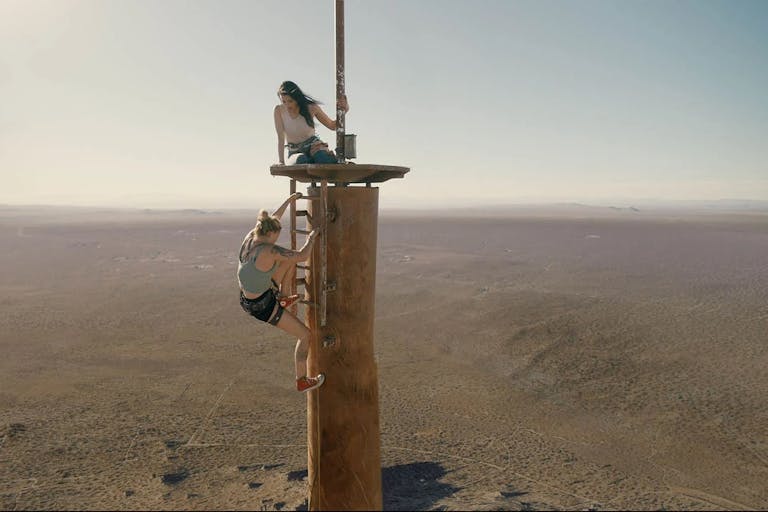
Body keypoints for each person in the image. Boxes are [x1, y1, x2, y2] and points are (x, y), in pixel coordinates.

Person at [237, 192, 324, 392]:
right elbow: (302, 255)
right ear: (269, 235)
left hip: (250, 296)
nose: (277, 238)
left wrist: (288, 201)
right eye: (276, 235)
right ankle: (302, 380)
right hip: (262, 307)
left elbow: (273, 219)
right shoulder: (268, 251)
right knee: (305, 336)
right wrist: (311, 238)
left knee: (287, 261)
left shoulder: (251, 237)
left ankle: (283, 299)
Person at [273, 80, 349, 165]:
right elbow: (281, 137)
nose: (287, 105)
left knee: (322, 158)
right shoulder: (279, 111)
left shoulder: (311, 108)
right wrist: (281, 162)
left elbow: (332, 126)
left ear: (297, 98)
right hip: (295, 151)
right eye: (284, 101)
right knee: (301, 160)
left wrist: (344, 111)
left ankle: (329, 161)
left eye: (290, 101)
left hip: (314, 146)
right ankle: (319, 168)